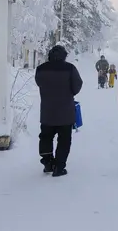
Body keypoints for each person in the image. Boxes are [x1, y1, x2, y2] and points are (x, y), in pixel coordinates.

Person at [35, 45, 83, 177]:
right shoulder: (70, 68)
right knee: (64, 140)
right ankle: (59, 167)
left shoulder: (41, 69)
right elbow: (77, 86)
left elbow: (38, 82)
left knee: (45, 137)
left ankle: (47, 162)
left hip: (47, 111)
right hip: (65, 112)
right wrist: (69, 92)